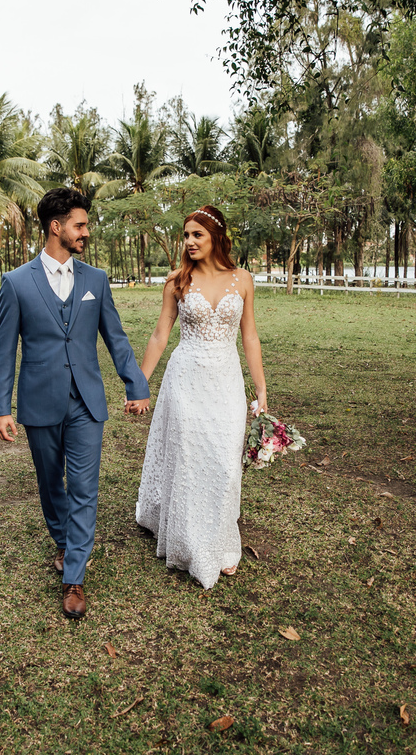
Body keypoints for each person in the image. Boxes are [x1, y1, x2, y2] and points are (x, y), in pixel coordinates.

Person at [0, 188, 150, 619]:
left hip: (87, 403)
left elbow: (114, 337)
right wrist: (0, 407)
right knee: (50, 485)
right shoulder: (16, 283)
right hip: (39, 401)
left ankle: (74, 577)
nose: (86, 232)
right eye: (79, 225)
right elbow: (4, 349)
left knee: (84, 488)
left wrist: (135, 384)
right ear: (55, 227)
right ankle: (64, 542)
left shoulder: (95, 281)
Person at [135, 205, 267, 589]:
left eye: (198, 235)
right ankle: (193, 543)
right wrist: (139, 384)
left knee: (226, 462)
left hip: (226, 382)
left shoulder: (242, 280)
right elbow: (160, 336)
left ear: (217, 239)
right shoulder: (177, 281)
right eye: (187, 235)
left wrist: (260, 387)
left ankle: (222, 537)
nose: (190, 242)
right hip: (186, 380)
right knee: (190, 459)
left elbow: (250, 336)